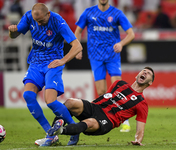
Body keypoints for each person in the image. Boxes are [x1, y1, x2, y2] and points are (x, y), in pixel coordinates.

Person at [8, 3, 83, 146]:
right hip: (35, 63)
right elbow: (15, 34)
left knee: (50, 102)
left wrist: (63, 60)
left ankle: (74, 129)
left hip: (52, 65)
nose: (39, 24)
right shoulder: (29, 17)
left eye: (42, 21)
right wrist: (12, 31)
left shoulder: (58, 21)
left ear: (48, 14)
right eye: (37, 21)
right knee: (28, 95)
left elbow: (77, 46)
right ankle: (50, 134)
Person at [48, 67, 155, 146]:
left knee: (88, 123)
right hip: (96, 107)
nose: (145, 73)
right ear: (137, 75)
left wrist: (138, 140)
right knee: (70, 102)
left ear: (150, 82)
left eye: (148, 73)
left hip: (108, 120)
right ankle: (52, 137)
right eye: (143, 71)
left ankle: (62, 130)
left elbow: (140, 128)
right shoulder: (119, 83)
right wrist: (87, 105)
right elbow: (105, 97)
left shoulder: (142, 103)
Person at [74, 0, 135, 132]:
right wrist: (78, 48)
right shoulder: (88, 13)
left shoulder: (116, 13)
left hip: (112, 56)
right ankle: (104, 118)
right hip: (95, 57)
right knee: (101, 92)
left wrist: (121, 44)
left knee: (117, 88)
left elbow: (131, 34)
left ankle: (125, 120)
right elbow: (77, 31)